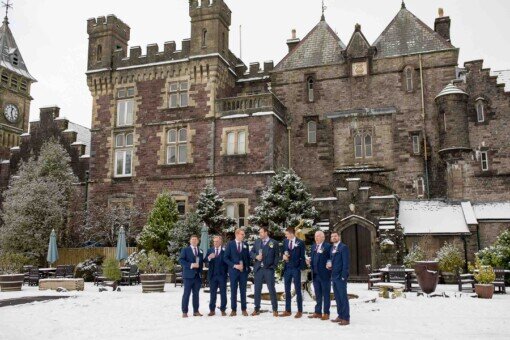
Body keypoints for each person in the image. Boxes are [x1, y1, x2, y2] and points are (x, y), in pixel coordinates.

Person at [250, 226, 280, 317]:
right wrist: (256, 256)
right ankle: (256, 309)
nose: (259, 234)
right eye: (259, 232)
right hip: (258, 269)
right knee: (257, 290)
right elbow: (251, 252)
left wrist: (273, 267)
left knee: (271, 289)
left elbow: (277, 256)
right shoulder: (257, 242)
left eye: (261, 232)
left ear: (266, 233)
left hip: (269, 269)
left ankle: (275, 309)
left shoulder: (274, 243)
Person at [223, 228, 251, 316]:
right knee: (233, 291)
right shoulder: (230, 244)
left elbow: (247, 258)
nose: (243, 236)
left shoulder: (245, 244)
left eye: (244, 234)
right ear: (237, 234)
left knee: (243, 291)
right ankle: (233, 310)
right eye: (242, 234)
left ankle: (244, 309)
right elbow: (225, 258)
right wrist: (234, 266)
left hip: (243, 272)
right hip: (233, 271)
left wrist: (247, 268)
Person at [280, 227, 306, 318]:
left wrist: (301, 268)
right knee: (287, 290)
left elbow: (302, 256)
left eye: (286, 234)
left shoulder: (300, 242)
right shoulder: (285, 242)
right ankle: (288, 310)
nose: (285, 235)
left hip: (296, 269)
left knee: (298, 289)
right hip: (287, 268)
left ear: (291, 234)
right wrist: (283, 257)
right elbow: (282, 253)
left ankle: (299, 311)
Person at [306, 230, 331, 321]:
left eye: (318, 236)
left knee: (326, 295)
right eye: (315, 236)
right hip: (315, 275)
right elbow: (313, 258)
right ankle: (318, 312)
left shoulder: (328, 246)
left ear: (323, 237)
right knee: (318, 294)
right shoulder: (313, 247)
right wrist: (309, 261)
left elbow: (330, 258)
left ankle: (326, 313)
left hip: (324, 275)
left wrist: (329, 263)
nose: (316, 238)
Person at [179, 235, 204, 318]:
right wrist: (191, 265)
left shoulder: (200, 250)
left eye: (195, 239)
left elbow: (201, 262)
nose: (194, 241)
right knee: (186, 294)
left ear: (198, 241)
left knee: (196, 294)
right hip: (188, 276)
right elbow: (181, 260)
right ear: (190, 241)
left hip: (197, 276)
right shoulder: (185, 250)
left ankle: (196, 311)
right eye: (192, 239)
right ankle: (185, 312)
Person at [329, 231, 350, 326]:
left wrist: (343, 276)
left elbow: (346, 263)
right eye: (332, 236)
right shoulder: (332, 248)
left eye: (335, 236)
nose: (333, 237)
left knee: (343, 297)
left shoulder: (343, 247)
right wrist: (328, 264)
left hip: (340, 277)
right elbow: (330, 260)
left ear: (339, 237)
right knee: (337, 298)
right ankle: (340, 315)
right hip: (333, 276)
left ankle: (346, 318)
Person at [205, 235, 228, 316]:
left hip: (222, 275)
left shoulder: (225, 250)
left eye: (217, 241)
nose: (215, 243)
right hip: (213, 276)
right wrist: (209, 258)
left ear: (220, 242)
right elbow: (205, 260)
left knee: (223, 293)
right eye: (214, 241)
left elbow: (228, 262)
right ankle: (212, 310)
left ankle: (223, 309)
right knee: (212, 293)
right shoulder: (210, 250)